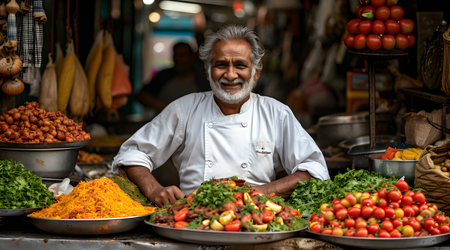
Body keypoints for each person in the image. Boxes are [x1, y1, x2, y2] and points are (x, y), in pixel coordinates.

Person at [112, 24, 330, 206]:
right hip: (192, 221)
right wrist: (154, 190)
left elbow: (313, 169)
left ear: (256, 73)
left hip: (257, 223)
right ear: (208, 72)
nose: (231, 75)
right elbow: (133, 153)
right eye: (221, 65)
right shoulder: (184, 109)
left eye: (241, 65)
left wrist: (259, 193)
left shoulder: (276, 113)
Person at [136, 41, 209, 112]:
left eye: (182, 55)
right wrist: (167, 109)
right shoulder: (164, 76)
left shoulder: (203, 80)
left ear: (192, 57)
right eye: (175, 56)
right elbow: (141, 96)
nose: (178, 60)